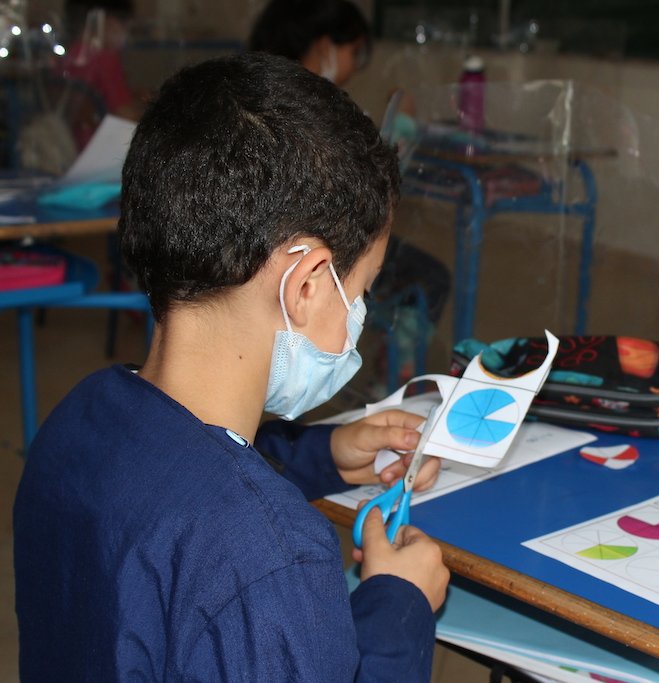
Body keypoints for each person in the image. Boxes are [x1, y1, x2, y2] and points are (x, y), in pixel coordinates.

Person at [14, 52, 449, 680]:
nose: (361, 311)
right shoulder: (272, 557)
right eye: (363, 288)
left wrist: (322, 456)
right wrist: (398, 604)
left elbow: (176, 476)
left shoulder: (76, 420)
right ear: (305, 285)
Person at [250, 0, 450, 390]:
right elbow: (354, 187)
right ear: (326, 47)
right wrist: (401, 128)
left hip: (267, 244)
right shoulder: (311, 108)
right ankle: (389, 379)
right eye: (354, 52)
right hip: (311, 244)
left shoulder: (252, 91)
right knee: (430, 278)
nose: (355, 66)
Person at [62, 0, 145, 125]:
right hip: (101, 135)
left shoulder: (71, 55)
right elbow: (125, 115)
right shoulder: (105, 60)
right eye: (126, 27)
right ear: (108, 22)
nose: (125, 37)